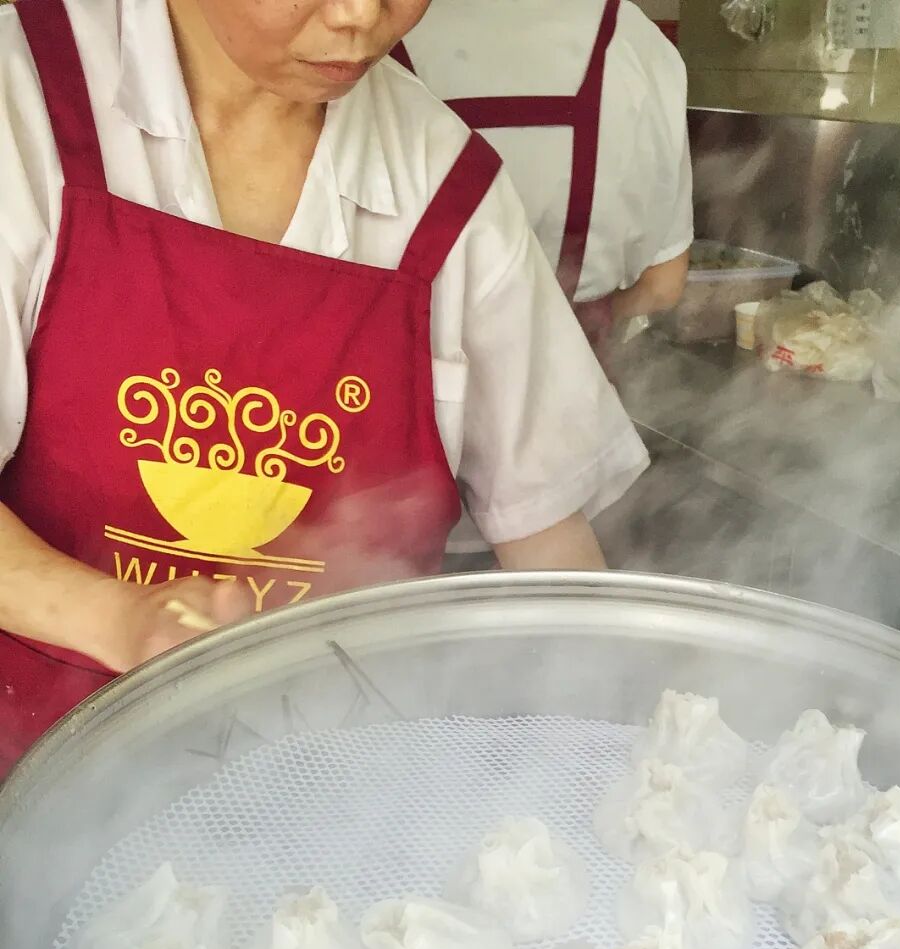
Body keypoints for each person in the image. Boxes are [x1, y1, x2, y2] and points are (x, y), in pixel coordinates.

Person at [0, 0, 651, 774]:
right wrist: (119, 618)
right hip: (36, 771)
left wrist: (610, 757)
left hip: (348, 792)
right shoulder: (25, 97)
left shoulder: (443, 181)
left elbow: (548, 539)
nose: (360, 16)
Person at [391, 0, 693, 366]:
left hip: (404, 372)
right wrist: (582, 323)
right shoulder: (636, 39)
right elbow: (663, 285)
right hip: (578, 376)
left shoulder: (383, 37)